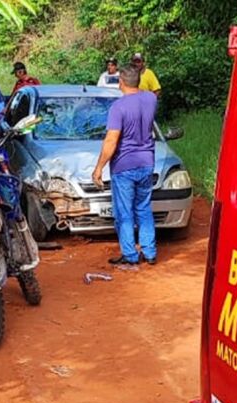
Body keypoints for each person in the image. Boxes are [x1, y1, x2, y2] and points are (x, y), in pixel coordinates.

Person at [92, 64, 158, 265]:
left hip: (124, 165)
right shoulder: (151, 99)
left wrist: (99, 167)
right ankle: (150, 252)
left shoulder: (118, 108)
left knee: (124, 212)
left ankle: (130, 255)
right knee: (144, 208)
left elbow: (111, 140)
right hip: (146, 161)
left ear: (120, 82)